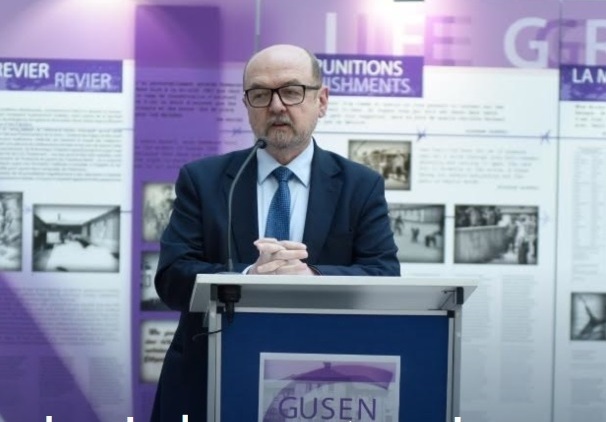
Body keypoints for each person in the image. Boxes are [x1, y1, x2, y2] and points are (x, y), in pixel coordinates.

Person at [151, 43, 400, 421]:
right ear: (247, 105)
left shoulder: (359, 185)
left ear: (321, 100)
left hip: (322, 382)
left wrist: (312, 276)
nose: (277, 105)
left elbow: (384, 275)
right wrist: (248, 277)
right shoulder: (203, 180)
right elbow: (171, 278)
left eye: (291, 91)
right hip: (212, 376)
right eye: (260, 94)